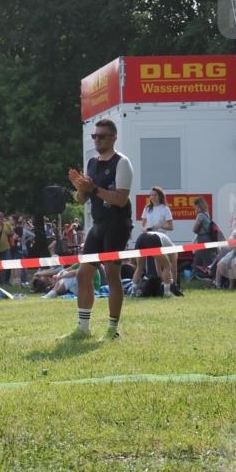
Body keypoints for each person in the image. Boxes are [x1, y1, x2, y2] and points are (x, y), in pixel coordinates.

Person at [66, 118, 133, 339]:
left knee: (112, 275)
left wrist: (93, 188)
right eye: (94, 136)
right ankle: (83, 329)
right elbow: (82, 199)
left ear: (113, 138)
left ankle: (113, 329)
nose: (97, 140)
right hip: (98, 223)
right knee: (83, 274)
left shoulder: (122, 163)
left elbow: (121, 200)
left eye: (102, 136)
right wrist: (80, 189)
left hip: (117, 224)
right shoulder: (92, 163)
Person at [134, 186, 177, 297]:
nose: (152, 197)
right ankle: (167, 289)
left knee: (161, 265)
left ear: (160, 196)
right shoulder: (147, 208)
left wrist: (159, 226)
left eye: (155, 195)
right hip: (151, 238)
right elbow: (143, 223)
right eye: (151, 195)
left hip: (160, 238)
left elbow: (171, 226)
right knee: (141, 266)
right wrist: (145, 229)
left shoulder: (165, 209)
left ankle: (170, 285)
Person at [191, 196, 217, 272]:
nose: (195, 208)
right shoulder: (207, 214)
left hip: (203, 238)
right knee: (201, 258)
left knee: (206, 260)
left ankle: (211, 277)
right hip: (208, 237)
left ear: (198, 206)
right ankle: (196, 273)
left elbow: (194, 229)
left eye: (195, 207)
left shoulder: (200, 215)